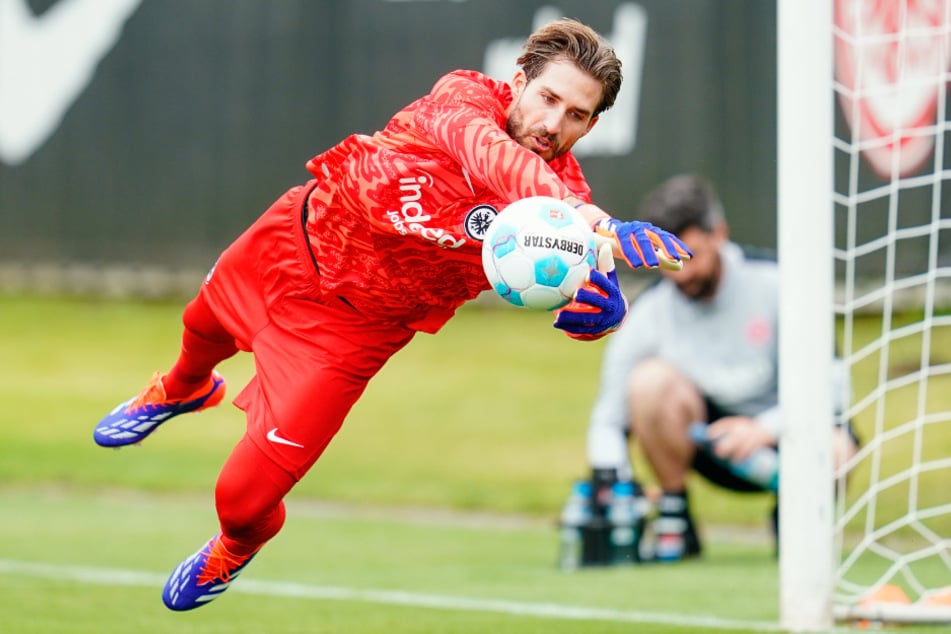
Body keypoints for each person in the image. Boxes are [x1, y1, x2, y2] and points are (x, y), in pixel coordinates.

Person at [92, 18, 692, 612]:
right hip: (294, 240)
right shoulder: (464, 99)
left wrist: (602, 309)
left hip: (351, 334)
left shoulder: (564, 212)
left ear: (591, 125)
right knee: (202, 326)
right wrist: (602, 226)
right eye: (548, 98)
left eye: (576, 115)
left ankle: (235, 546)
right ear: (517, 82)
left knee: (242, 501)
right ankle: (181, 388)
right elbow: (498, 161)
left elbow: (591, 278)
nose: (552, 124)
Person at [584, 174, 857, 562]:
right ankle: (675, 517)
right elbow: (608, 419)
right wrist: (614, 481)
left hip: (787, 435)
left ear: (720, 234)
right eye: (667, 259)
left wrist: (764, 429)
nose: (682, 272)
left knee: (836, 447)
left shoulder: (779, 285)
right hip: (707, 443)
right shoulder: (648, 311)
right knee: (648, 382)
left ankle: (795, 519)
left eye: (691, 254)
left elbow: (836, 387)